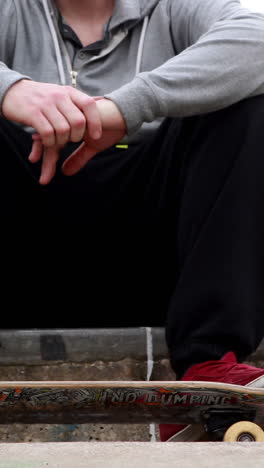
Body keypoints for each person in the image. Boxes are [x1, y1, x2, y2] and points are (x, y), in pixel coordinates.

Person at [1, 0, 264, 440]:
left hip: (159, 259)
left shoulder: (181, 6)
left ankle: (207, 369)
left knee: (249, 101)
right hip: (23, 248)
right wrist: (11, 89)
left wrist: (122, 108)